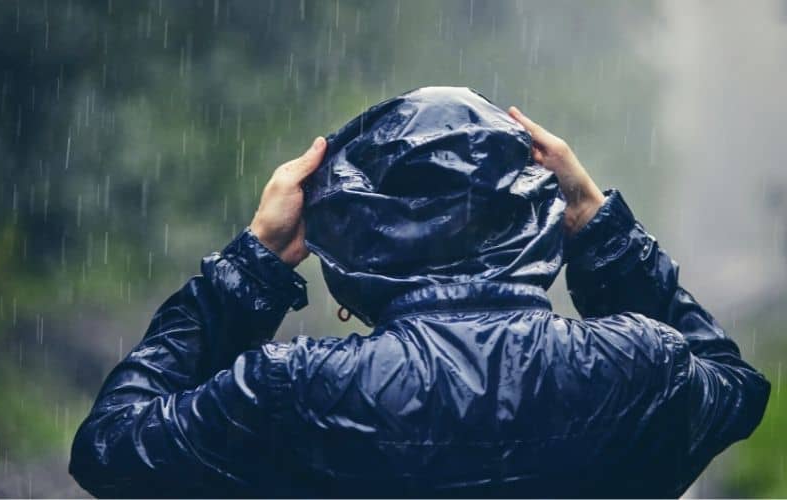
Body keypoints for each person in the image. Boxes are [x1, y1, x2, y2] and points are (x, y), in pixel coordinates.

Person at [69, 87, 769, 498]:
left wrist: (253, 264)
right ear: (539, 215)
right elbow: (737, 388)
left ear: (353, 242)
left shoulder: (296, 390)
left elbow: (110, 452)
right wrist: (598, 225)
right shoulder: (642, 369)